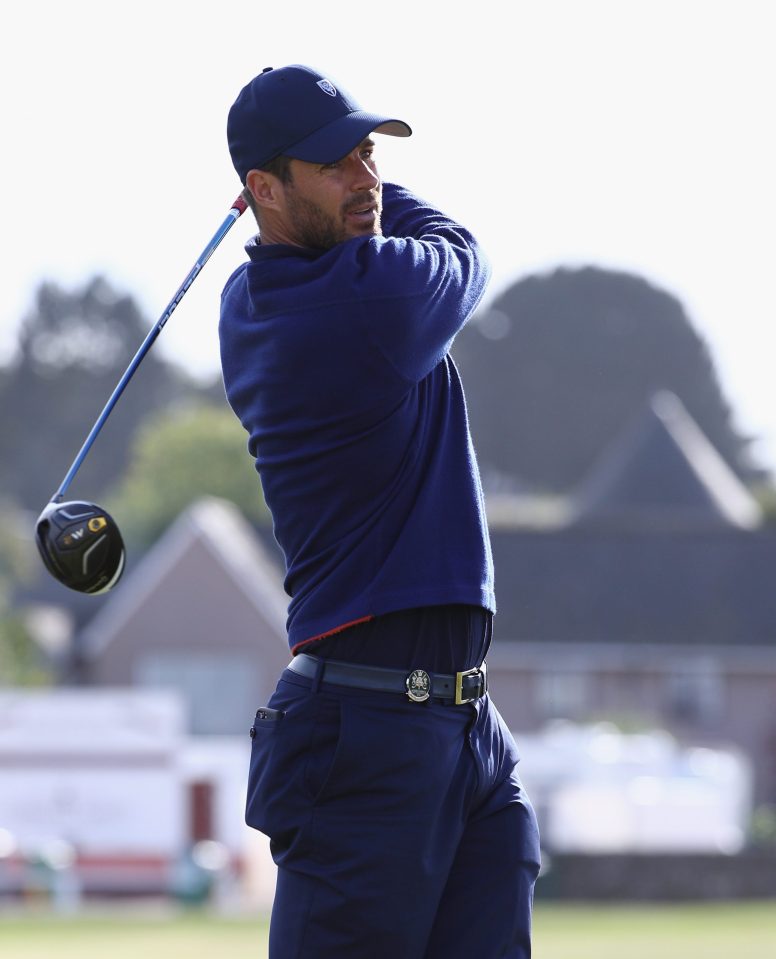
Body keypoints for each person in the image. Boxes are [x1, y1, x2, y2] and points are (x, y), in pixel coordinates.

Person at [219, 64, 541, 959]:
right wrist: (381, 205)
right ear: (262, 189)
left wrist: (347, 195)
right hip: (365, 737)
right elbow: (460, 247)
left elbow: (380, 232)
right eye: (337, 165)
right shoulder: (365, 301)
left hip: (462, 727)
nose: (368, 181)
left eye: (370, 155)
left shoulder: (250, 301)